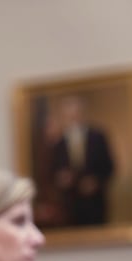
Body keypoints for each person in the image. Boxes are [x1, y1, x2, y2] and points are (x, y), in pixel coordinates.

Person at [47, 95, 115, 227]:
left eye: (76, 113)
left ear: (83, 113)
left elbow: (110, 167)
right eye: (69, 115)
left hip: (95, 204)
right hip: (70, 207)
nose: (73, 118)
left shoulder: (98, 137)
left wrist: (96, 181)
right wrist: (61, 179)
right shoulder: (58, 143)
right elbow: (52, 173)